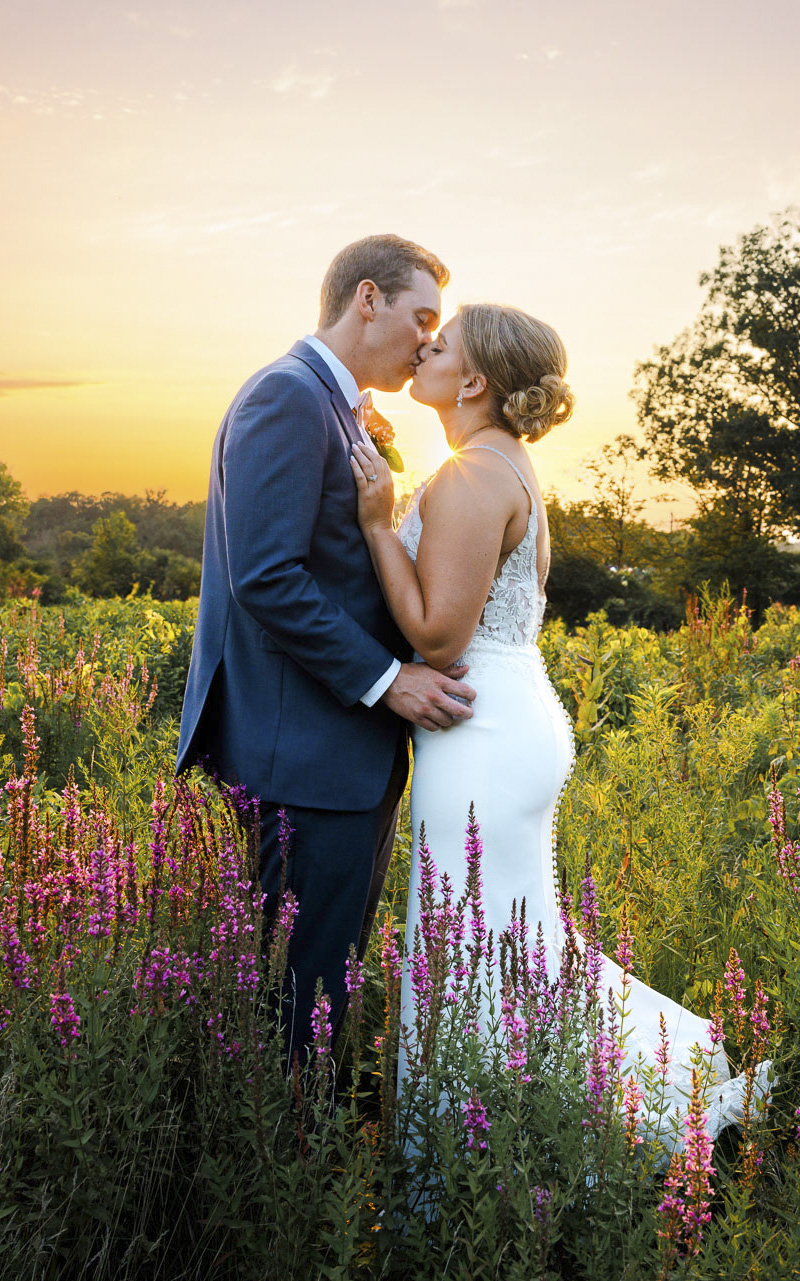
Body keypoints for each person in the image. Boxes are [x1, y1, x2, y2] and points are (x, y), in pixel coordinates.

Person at [350, 302, 768, 1137]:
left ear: (473, 380)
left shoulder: (472, 476)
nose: (424, 348)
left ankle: (474, 1155)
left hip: (478, 729)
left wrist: (374, 523)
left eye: (443, 343)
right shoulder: (502, 464)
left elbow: (437, 633)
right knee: (510, 933)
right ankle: (539, 1128)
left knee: (468, 940)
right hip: (507, 718)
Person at [176, 235, 477, 1064]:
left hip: (337, 756)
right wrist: (388, 680)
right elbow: (265, 577)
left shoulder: (335, 407)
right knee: (298, 998)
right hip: (303, 757)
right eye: (421, 316)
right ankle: (289, 1173)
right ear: (367, 297)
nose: (427, 340)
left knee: (320, 985)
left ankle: (304, 1154)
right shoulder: (287, 397)